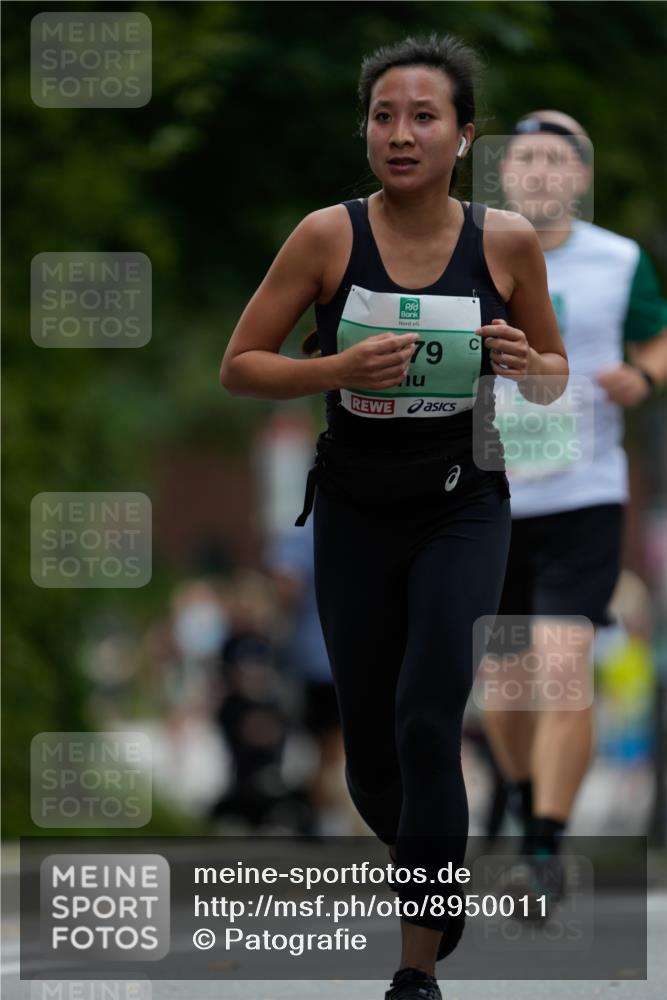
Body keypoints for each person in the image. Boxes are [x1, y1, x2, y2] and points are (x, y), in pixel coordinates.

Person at [220, 34, 567, 1000]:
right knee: (372, 755)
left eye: (424, 117)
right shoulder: (327, 237)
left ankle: (413, 969)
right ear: (365, 130)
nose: (401, 133)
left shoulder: (502, 242)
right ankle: (432, 866)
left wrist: (519, 363)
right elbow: (240, 364)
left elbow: (552, 378)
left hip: (463, 506)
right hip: (355, 511)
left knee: (426, 720)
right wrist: (333, 369)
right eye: (384, 116)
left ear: (463, 137)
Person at [479, 110, 667, 913]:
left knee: (562, 669)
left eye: (561, 160)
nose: (544, 173)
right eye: (528, 159)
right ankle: (524, 799)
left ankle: (546, 845)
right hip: (485, 493)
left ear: (581, 179)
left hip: (583, 493)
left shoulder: (619, 260)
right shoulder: (468, 249)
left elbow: (658, 339)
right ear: (505, 174)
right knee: (504, 685)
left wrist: (645, 377)